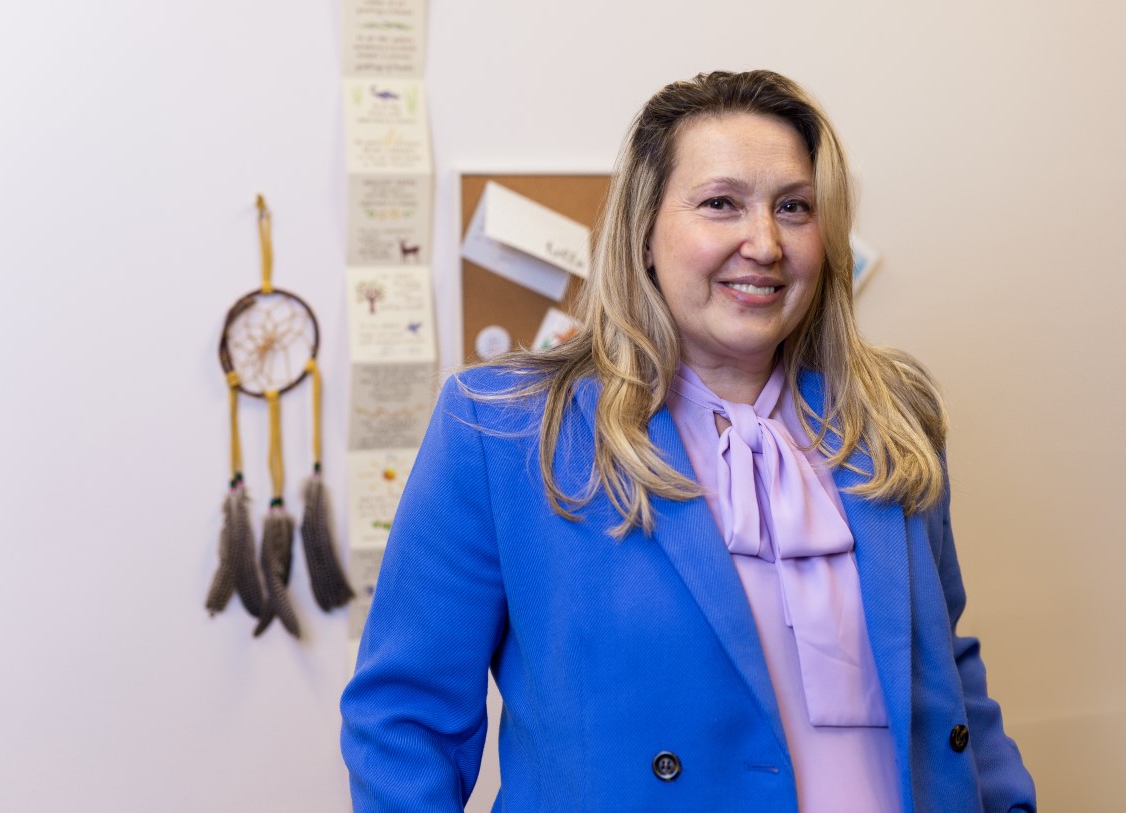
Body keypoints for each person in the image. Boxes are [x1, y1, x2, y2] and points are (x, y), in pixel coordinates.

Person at [340, 69, 1037, 812]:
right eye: (720, 204)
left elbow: (947, 672)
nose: (764, 243)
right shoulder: (502, 427)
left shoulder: (892, 417)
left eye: (794, 207)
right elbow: (402, 723)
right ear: (644, 232)